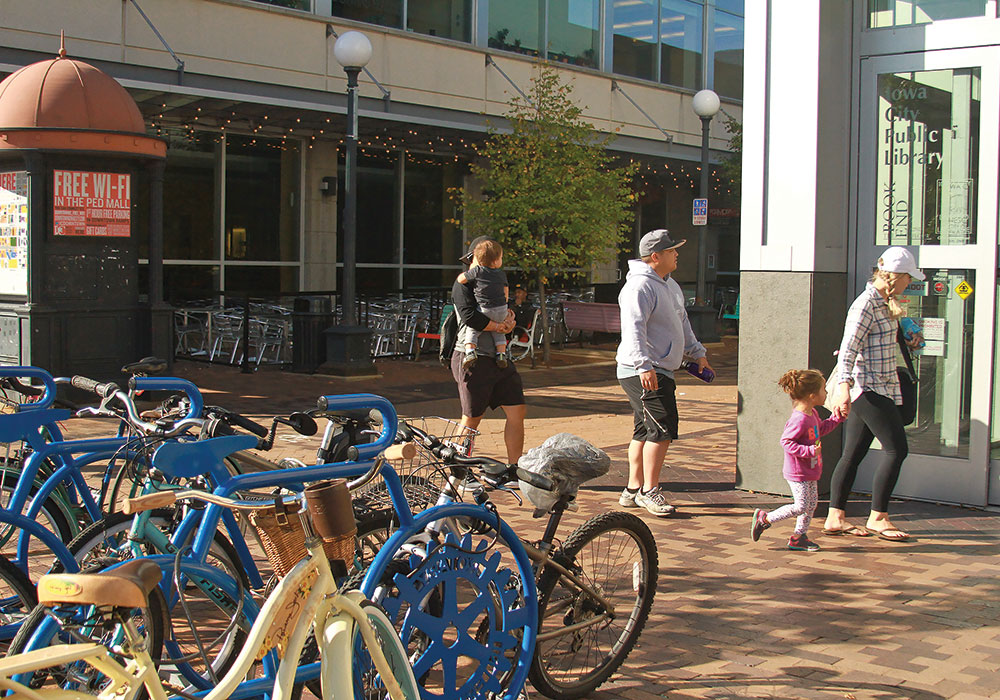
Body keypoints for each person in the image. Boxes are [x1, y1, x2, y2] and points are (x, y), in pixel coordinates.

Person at [823, 246, 925, 542]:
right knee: (896, 450)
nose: (910, 282)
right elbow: (848, 349)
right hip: (867, 388)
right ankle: (878, 517)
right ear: (894, 276)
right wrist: (843, 388)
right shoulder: (866, 304)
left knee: (852, 454)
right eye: (908, 277)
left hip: (879, 386)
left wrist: (910, 339)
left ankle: (835, 518)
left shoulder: (886, 303)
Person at [616, 229, 713, 517]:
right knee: (661, 430)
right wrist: (643, 365)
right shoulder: (639, 287)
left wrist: (698, 352)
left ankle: (633, 489)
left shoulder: (669, 285)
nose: (677, 254)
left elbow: (682, 322)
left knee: (645, 430)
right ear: (656, 256)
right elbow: (634, 328)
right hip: (643, 370)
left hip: (658, 368)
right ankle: (649, 491)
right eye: (672, 250)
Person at [751, 369, 845, 551]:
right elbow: (786, 442)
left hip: (810, 469)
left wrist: (836, 419)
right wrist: (809, 451)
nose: (826, 393)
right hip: (798, 472)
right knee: (801, 506)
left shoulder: (812, 414)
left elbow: (819, 430)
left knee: (811, 504)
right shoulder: (799, 419)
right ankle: (765, 518)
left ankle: (799, 537)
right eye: (824, 389)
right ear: (812, 395)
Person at [451, 236, 525, 463]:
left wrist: (509, 321)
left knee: (517, 410)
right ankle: (456, 471)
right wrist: (498, 326)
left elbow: (503, 308)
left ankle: (514, 469)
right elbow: (469, 316)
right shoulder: (463, 284)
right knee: (472, 418)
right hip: (472, 357)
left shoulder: (496, 280)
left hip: (498, 357)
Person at [456, 239, 509, 370]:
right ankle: (501, 354)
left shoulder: (477, 272)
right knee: (499, 333)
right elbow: (470, 317)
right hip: (501, 308)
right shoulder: (500, 274)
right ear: (496, 261)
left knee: (472, 331)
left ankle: (470, 351)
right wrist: (500, 324)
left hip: (486, 309)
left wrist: (508, 322)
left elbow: (461, 279)